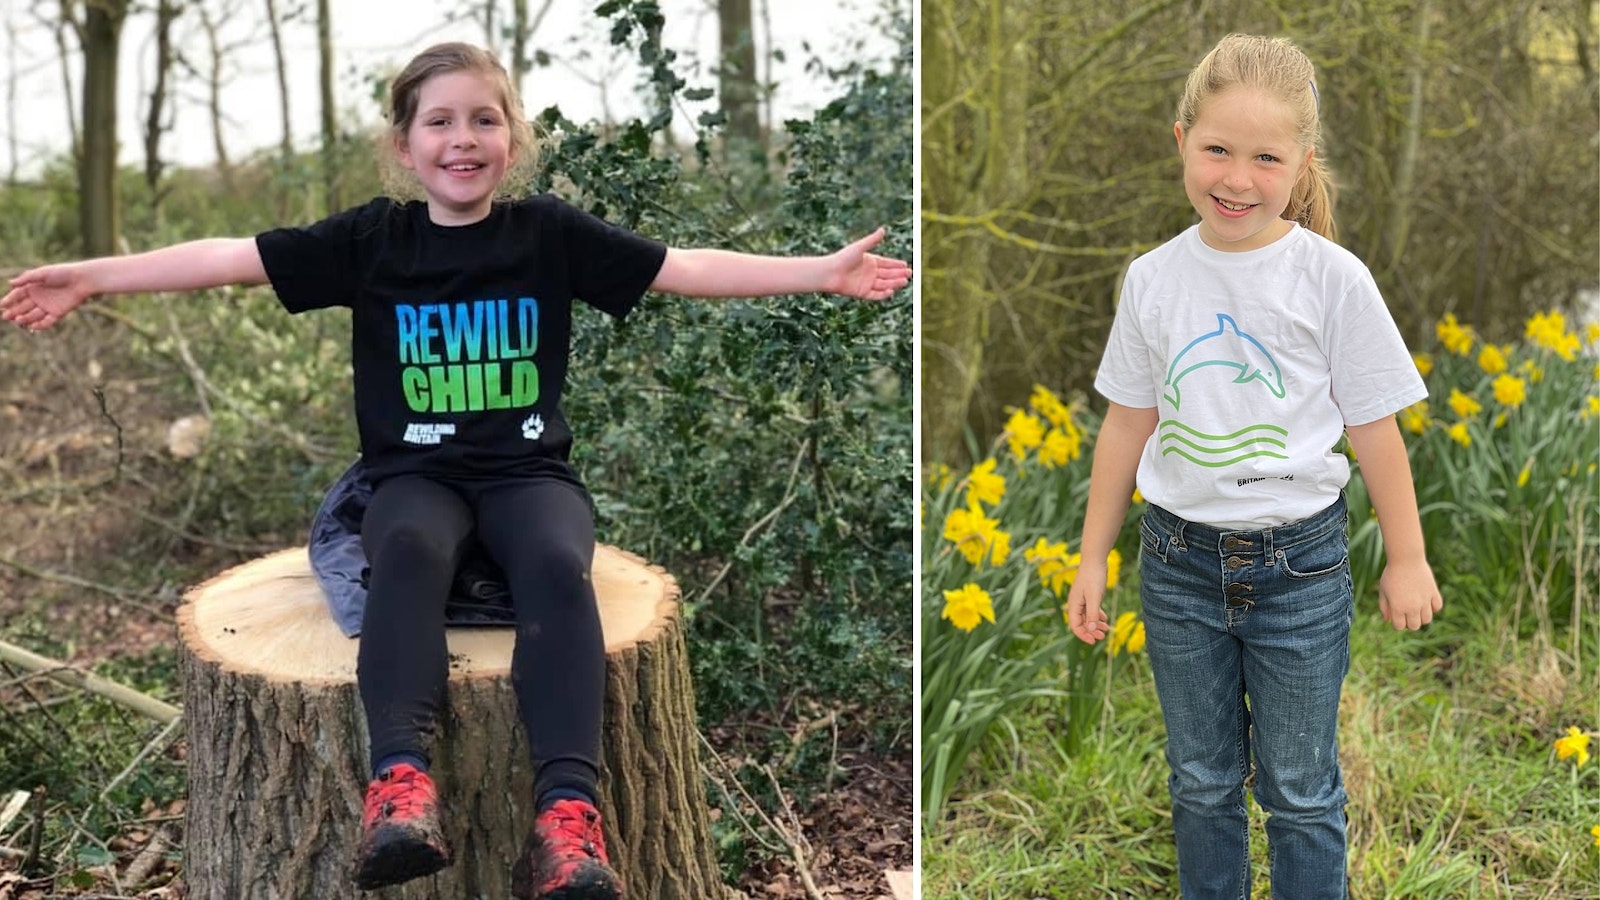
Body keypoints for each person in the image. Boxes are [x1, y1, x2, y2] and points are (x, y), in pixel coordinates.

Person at [1, 41, 909, 900]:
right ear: (404, 144)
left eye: (482, 120)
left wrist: (818, 273)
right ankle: (399, 787)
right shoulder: (374, 241)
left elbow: (685, 267)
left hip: (528, 478)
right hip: (416, 479)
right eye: (439, 122)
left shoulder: (547, 233)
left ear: (512, 138)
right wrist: (92, 276)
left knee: (559, 567)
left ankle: (567, 818)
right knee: (404, 551)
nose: (461, 139)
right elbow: (226, 259)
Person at [1063, 34, 1441, 900]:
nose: (1237, 178)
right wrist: (1093, 556)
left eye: (1266, 157)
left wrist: (1409, 556)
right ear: (1180, 141)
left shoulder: (1333, 279)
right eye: (1217, 150)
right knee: (1200, 782)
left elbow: (1375, 431)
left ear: (1303, 161)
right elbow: (1126, 425)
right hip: (1176, 567)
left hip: (1300, 569)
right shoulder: (1153, 279)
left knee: (1301, 791)